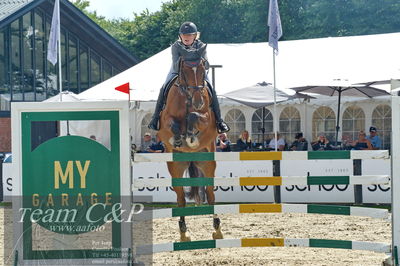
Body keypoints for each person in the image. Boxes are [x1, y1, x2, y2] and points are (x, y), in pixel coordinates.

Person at [147, 21, 229, 134]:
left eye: (189, 35)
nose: (186, 37)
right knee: (164, 87)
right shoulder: (176, 46)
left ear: (195, 36)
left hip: (197, 72)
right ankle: (155, 118)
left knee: (211, 88)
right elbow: (176, 66)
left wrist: (204, 62)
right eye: (184, 35)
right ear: (180, 36)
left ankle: (220, 121)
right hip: (179, 71)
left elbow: (206, 64)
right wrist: (184, 58)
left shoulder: (201, 45)